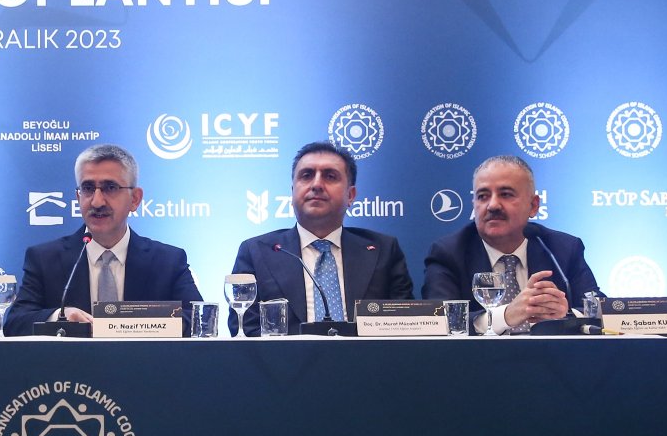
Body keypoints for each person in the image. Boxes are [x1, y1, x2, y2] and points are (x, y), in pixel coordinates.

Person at [4, 143, 203, 335]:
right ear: (78, 197)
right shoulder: (45, 259)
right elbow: (14, 323)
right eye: (88, 188)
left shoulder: (167, 261)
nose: (97, 201)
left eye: (110, 187)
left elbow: (198, 321)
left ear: (135, 199)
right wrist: (60, 316)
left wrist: (138, 326)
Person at [230, 141, 414, 335]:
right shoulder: (257, 251)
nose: (316, 184)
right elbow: (244, 328)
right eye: (307, 175)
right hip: (284, 364)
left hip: (367, 363)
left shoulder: (383, 250)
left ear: (350, 195)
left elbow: (404, 327)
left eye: (330, 176)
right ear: (292, 192)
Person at [422, 154, 601, 334]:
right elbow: (439, 322)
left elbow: (601, 311)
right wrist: (506, 315)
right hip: (476, 360)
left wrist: (566, 315)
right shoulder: (449, 253)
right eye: (483, 196)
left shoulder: (562, 249)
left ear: (533, 205)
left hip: (551, 359)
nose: (492, 205)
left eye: (506, 194)